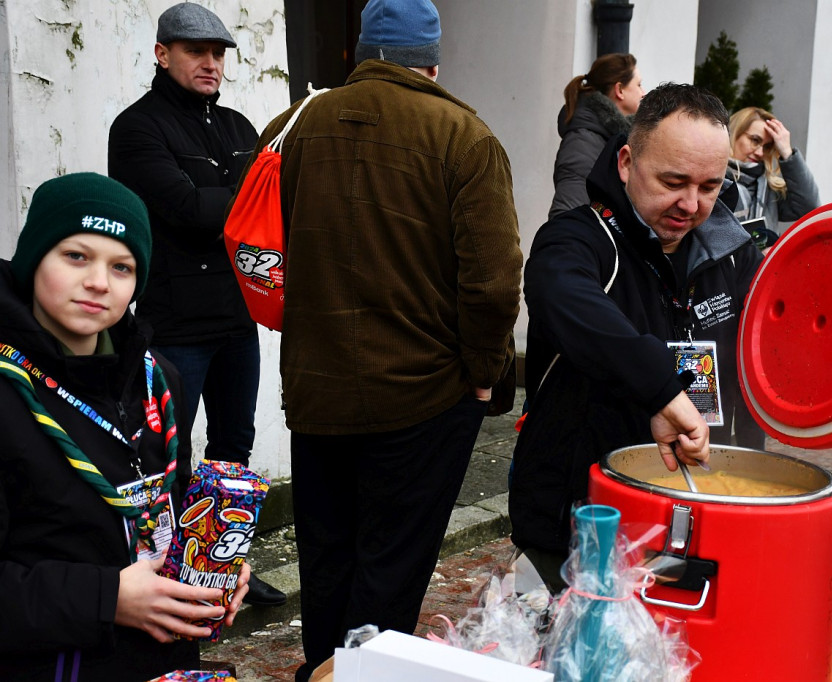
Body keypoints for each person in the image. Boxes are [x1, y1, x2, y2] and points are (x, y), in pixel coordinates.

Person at [239, 0, 522, 678]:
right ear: (431, 63)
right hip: (423, 395)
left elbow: (258, 242)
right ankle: (365, 672)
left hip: (316, 388)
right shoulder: (464, 136)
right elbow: (491, 281)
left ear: (361, 54)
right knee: (391, 569)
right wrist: (487, 373)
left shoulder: (291, 124)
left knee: (328, 555)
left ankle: (321, 670)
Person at [510, 83, 764, 587]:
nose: (691, 204)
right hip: (580, 520)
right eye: (673, 181)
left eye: (710, 186)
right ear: (626, 163)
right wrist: (662, 388)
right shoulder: (578, 237)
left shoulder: (733, 251)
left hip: (695, 510)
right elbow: (559, 293)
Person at [0, 173, 249, 680]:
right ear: (33, 259)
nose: (98, 282)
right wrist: (107, 598)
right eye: (76, 256)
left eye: (122, 266)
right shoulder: (8, 394)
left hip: (162, 661)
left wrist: (208, 565)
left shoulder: (159, 377)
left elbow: (169, 504)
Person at [107, 2, 284, 607]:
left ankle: (222, 565)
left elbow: (265, 211)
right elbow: (187, 211)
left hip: (236, 316)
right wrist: (240, 202)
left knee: (233, 450)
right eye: (196, 52)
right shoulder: (136, 128)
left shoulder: (237, 125)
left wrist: (228, 205)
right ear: (163, 55)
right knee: (171, 461)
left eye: (218, 54)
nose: (210, 64)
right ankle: (172, 576)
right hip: (173, 322)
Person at [548, 53, 644, 218]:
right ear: (619, 90)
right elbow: (566, 215)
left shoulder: (615, 137)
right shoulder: (582, 142)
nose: (643, 93)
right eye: (639, 85)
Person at [726, 106, 820, 240]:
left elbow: (809, 206)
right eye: (755, 140)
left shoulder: (770, 191)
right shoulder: (711, 181)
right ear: (734, 134)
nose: (760, 152)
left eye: (767, 147)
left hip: (764, 261)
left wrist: (787, 152)